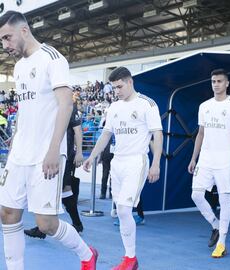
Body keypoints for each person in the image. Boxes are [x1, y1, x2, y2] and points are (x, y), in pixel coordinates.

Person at [0, 11, 97, 270]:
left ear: (24, 31)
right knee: (7, 213)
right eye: (2, 41)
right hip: (20, 153)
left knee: (46, 224)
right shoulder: (19, 67)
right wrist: (14, 144)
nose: (5, 46)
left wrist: (54, 150)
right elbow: (23, 109)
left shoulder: (52, 58)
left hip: (46, 152)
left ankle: (87, 255)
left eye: (7, 38)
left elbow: (65, 104)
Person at [83, 66, 163, 270]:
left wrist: (156, 163)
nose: (116, 91)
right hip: (117, 162)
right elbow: (106, 134)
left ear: (130, 82)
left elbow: (157, 134)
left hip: (136, 161)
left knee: (126, 210)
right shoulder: (114, 107)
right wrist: (92, 156)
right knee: (120, 211)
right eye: (113, 88)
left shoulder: (147, 104)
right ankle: (128, 258)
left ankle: (131, 259)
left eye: (119, 87)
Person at [188, 68, 230, 258]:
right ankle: (215, 225)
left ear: (227, 83)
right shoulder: (204, 106)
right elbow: (201, 134)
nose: (216, 84)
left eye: (220, 81)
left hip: (225, 162)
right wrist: (193, 158)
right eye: (213, 81)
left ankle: (221, 243)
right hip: (205, 159)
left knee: (224, 200)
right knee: (196, 195)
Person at [24, 102, 85, 239]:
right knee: (60, 191)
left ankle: (48, 227)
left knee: (62, 190)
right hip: (44, 155)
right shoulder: (43, 104)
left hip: (64, 156)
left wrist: (79, 152)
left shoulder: (67, 104)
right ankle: (74, 224)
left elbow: (77, 130)